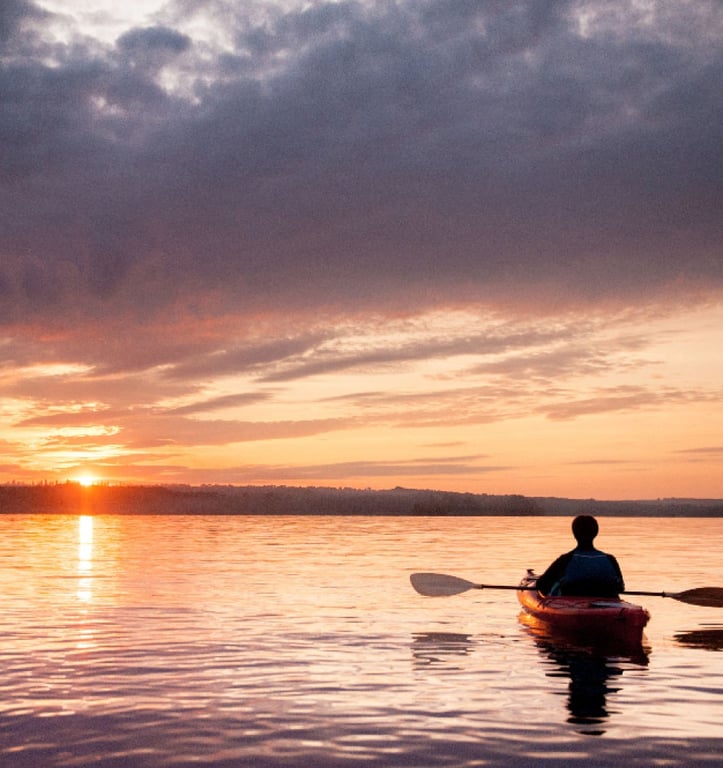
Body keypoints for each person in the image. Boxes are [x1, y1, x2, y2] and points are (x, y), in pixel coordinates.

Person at [536, 515, 624, 597]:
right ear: (596, 533)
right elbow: (620, 588)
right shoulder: (610, 559)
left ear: (574, 534)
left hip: (570, 604)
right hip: (607, 603)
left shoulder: (565, 560)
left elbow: (542, 586)